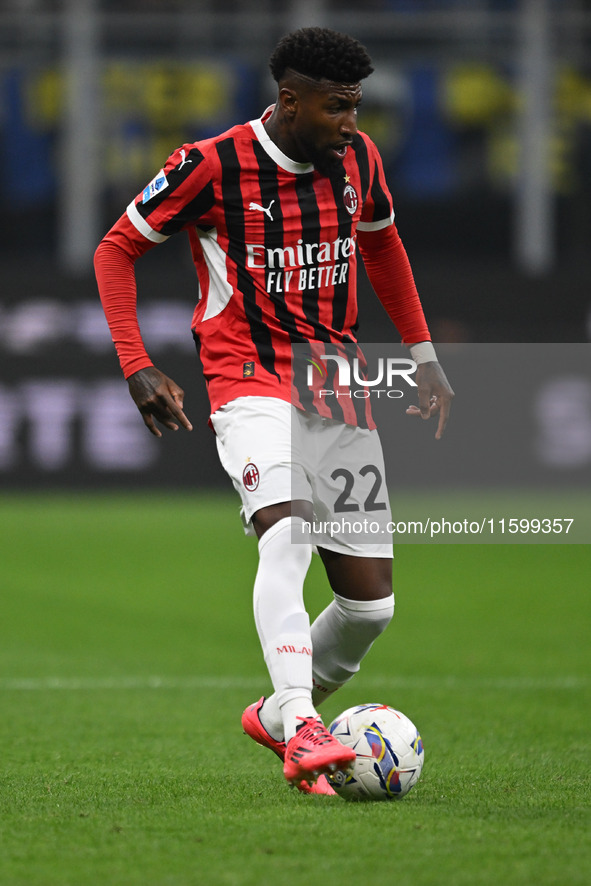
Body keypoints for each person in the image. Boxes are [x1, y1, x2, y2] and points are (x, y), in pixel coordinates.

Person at [94, 27, 454, 795]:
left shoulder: (356, 160)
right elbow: (115, 249)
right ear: (289, 102)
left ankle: (276, 715)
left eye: (356, 107)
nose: (351, 123)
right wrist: (137, 363)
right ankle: (301, 722)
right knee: (285, 532)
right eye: (337, 108)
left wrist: (422, 357)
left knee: (368, 608)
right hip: (247, 377)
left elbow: (382, 246)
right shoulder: (209, 165)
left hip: (337, 389)